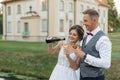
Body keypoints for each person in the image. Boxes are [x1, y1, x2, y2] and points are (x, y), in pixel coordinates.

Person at [74, 9, 112, 80]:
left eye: (85, 21)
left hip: (95, 78)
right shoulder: (86, 35)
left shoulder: (103, 39)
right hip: (82, 76)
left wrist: (84, 56)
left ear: (94, 20)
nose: (83, 23)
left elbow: (106, 64)